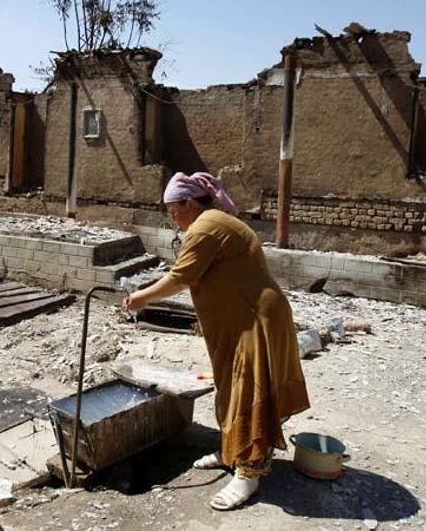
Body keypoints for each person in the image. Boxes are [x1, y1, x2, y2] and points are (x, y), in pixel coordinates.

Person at [124, 171, 310, 511]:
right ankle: (231, 450)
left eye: (174, 210)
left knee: (248, 391)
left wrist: (141, 298)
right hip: (240, 320)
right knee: (229, 386)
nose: (173, 218)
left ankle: (249, 473)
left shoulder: (206, 227)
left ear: (190, 203)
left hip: (255, 319)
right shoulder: (213, 221)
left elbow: (179, 278)